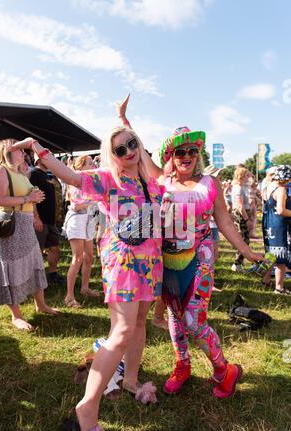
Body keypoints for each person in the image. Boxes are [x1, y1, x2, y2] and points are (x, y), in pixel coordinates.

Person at [9, 132, 163, 431]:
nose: (129, 151)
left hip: (151, 262)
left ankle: (131, 380)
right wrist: (37, 148)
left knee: (139, 323)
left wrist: (126, 124)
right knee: (121, 331)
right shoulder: (107, 179)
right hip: (123, 262)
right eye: (120, 148)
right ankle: (88, 403)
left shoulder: (152, 182)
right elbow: (70, 175)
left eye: (133, 144)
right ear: (112, 154)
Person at [118, 95, 263, 400]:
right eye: (180, 151)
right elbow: (138, 151)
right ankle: (182, 365)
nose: (187, 156)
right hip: (168, 260)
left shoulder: (210, 185)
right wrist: (125, 122)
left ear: (198, 154)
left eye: (192, 151)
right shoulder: (162, 180)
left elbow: (224, 222)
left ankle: (225, 370)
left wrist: (246, 251)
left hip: (200, 257)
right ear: (172, 155)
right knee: (173, 315)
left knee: (193, 321)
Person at [0, 139, 61, 331]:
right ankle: (16, 316)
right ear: (7, 153)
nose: (24, 154)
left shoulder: (21, 172)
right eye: (19, 151)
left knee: (34, 263)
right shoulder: (1, 170)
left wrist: (34, 203)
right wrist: (28, 198)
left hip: (25, 224)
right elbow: (0, 200)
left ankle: (41, 305)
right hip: (10, 225)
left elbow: (29, 198)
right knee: (11, 269)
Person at [63, 155, 101, 308]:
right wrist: (96, 199)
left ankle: (85, 288)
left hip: (88, 220)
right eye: (90, 163)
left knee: (89, 256)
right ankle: (69, 297)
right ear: (81, 166)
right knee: (77, 258)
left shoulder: (89, 180)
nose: (94, 165)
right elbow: (77, 206)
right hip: (77, 220)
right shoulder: (76, 180)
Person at [30, 159, 64, 285]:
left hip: (51, 220)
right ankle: (36, 280)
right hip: (40, 220)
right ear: (38, 160)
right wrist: (36, 217)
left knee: (54, 247)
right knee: (38, 250)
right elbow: (31, 196)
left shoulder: (48, 174)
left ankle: (53, 274)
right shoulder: (34, 173)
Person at [262, 165, 291, 294]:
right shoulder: (281, 189)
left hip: (268, 223)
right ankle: (279, 288)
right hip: (278, 225)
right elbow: (281, 210)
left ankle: (265, 280)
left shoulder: (269, 186)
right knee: (280, 257)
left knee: (270, 255)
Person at [231, 167, 251, 271]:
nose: (249, 177)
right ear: (242, 176)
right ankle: (237, 264)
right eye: (247, 175)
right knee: (243, 240)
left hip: (241, 214)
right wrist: (247, 219)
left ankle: (238, 263)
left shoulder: (240, 186)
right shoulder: (238, 187)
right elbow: (240, 205)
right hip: (240, 215)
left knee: (244, 239)